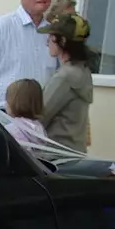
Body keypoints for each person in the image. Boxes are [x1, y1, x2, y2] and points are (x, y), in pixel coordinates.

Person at [37, 12, 93, 152]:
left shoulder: (64, 77)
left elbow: (39, 117)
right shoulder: (83, 71)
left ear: (62, 41)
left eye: (51, 36)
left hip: (56, 157)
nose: (47, 41)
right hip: (75, 154)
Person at [3, 79, 58, 148]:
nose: (5, 103)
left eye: (7, 100)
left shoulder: (11, 130)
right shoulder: (39, 128)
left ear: (14, 103)